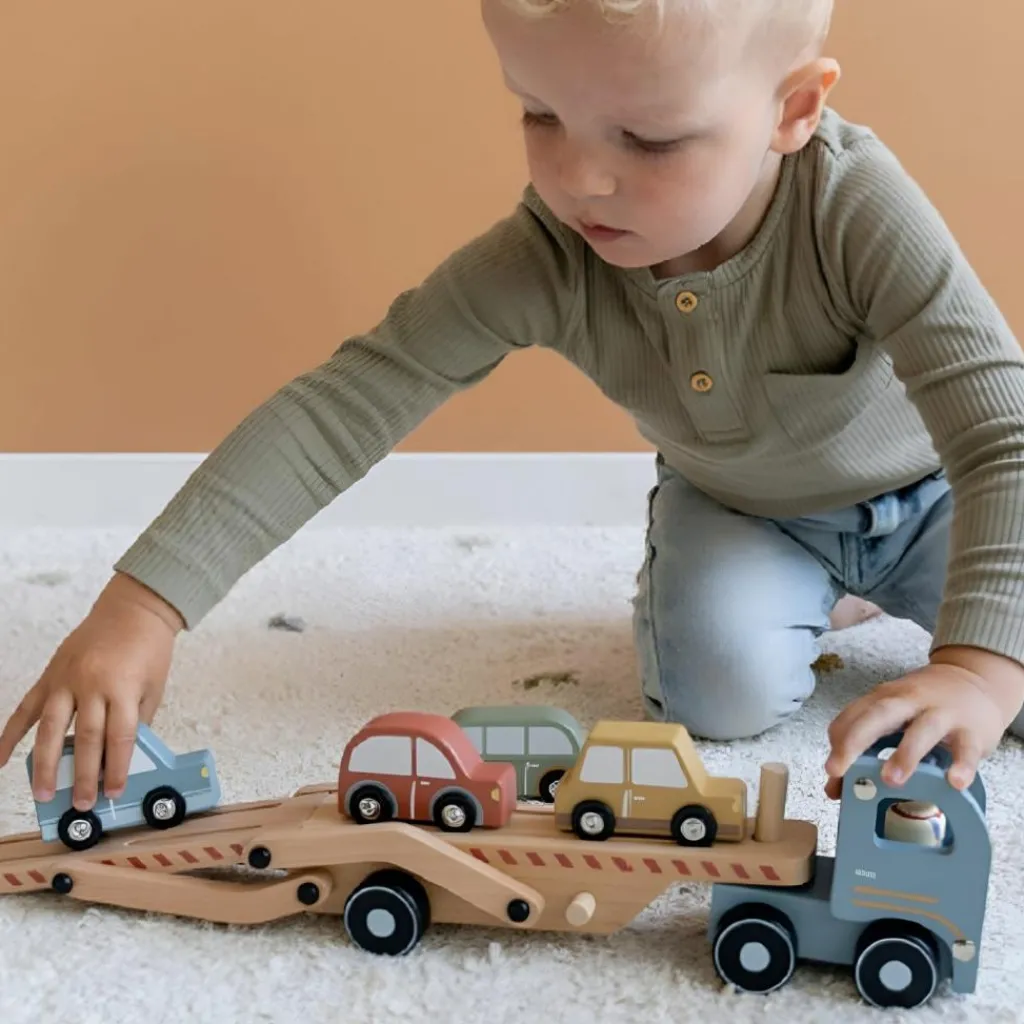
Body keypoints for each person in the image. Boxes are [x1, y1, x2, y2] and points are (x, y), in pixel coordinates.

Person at [3, 0, 1023, 813]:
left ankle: (877, 596)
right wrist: (142, 605)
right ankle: (806, 587)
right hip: (743, 509)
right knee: (719, 695)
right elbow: (349, 399)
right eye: (540, 114)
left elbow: (1000, 436)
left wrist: (977, 668)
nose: (580, 177)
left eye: (652, 138)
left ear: (792, 109)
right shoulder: (547, 254)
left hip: (936, 495)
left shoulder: (854, 207)